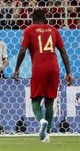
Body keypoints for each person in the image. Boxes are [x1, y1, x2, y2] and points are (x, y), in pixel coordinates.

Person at [13, 9, 73, 142]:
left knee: (35, 100)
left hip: (39, 68)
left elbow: (23, 50)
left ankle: (42, 121)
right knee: (50, 103)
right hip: (54, 68)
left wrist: (17, 68)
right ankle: (47, 134)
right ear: (45, 19)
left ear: (32, 20)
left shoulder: (29, 30)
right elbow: (63, 51)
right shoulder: (54, 30)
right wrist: (68, 72)